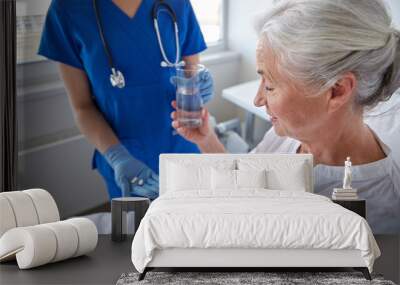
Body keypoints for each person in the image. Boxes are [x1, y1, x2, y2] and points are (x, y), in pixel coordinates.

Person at [171, 0, 400, 233]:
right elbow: (245, 185)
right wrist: (207, 139)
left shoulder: (380, 213)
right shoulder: (288, 135)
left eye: (269, 85)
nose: (258, 100)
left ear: (337, 90)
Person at [38, 0, 214, 200]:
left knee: (193, 225)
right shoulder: (67, 9)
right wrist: (118, 158)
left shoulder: (178, 3)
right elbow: (82, 107)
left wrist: (201, 86)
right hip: (126, 160)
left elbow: (191, 74)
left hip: (184, 149)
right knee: (136, 230)